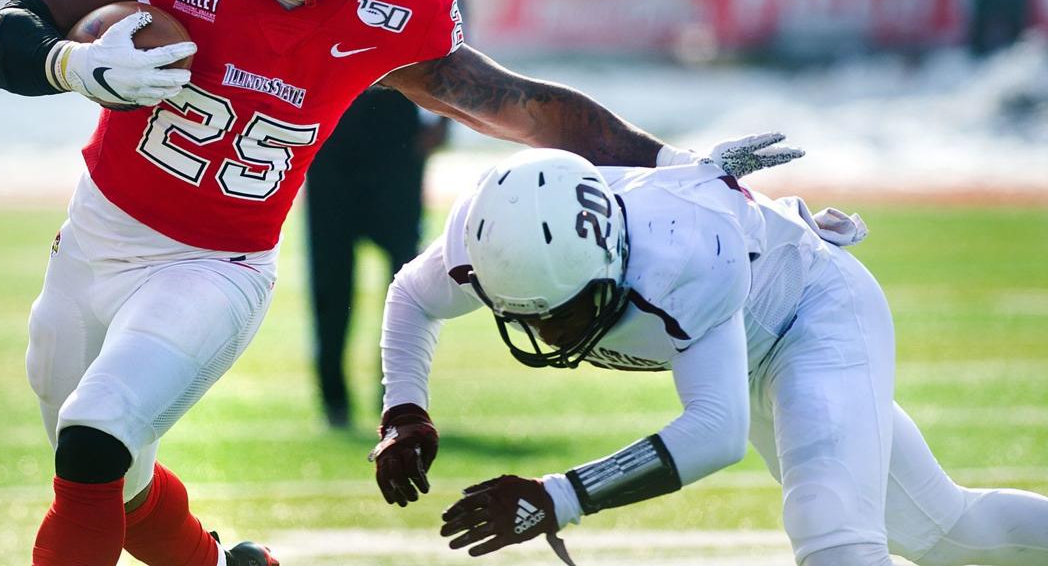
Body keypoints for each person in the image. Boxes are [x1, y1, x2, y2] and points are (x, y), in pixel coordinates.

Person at [0, 0, 803, 566]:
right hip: (95, 236)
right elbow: (1, 33)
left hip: (214, 267)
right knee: (122, 479)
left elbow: (520, 106)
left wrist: (671, 162)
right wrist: (71, 64)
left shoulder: (391, 7)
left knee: (94, 435)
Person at [370, 148, 1048, 565]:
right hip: (740, 353)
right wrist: (404, 409)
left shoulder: (682, 255)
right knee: (946, 534)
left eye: (562, 312)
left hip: (810, 315)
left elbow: (715, 432)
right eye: (525, 316)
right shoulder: (489, 235)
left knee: (833, 532)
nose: (547, 334)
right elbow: (412, 297)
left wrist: (559, 497)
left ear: (611, 262)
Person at [304, 0, 454, 429]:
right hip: (329, 114)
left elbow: (454, 22)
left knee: (405, 271)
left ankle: (398, 394)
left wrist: (442, 119)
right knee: (330, 270)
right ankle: (333, 397)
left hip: (395, 122)